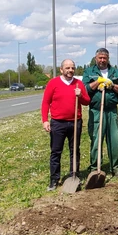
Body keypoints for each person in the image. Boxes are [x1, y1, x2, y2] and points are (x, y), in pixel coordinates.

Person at [40, 59, 91, 191]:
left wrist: (80, 96)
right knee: (56, 151)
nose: (70, 70)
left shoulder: (79, 84)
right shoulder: (53, 83)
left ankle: (74, 174)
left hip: (75, 122)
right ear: (61, 69)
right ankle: (54, 179)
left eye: (72, 68)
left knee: (74, 150)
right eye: (67, 68)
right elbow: (46, 102)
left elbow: (87, 101)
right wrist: (45, 120)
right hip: (58, 123)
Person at [82, 48, 118, 177]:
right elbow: (85, 89)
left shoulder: (116, 72)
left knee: (114, 140)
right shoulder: (89, 72)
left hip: (112, 111)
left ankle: (116, 168)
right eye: (100, 58)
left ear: (108, 58)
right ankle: (95, 168)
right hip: (96, 111)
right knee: (96, 139)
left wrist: (112, 86)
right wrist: (98, 82)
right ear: (96, 58)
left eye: (104, 58)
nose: (102, 60)